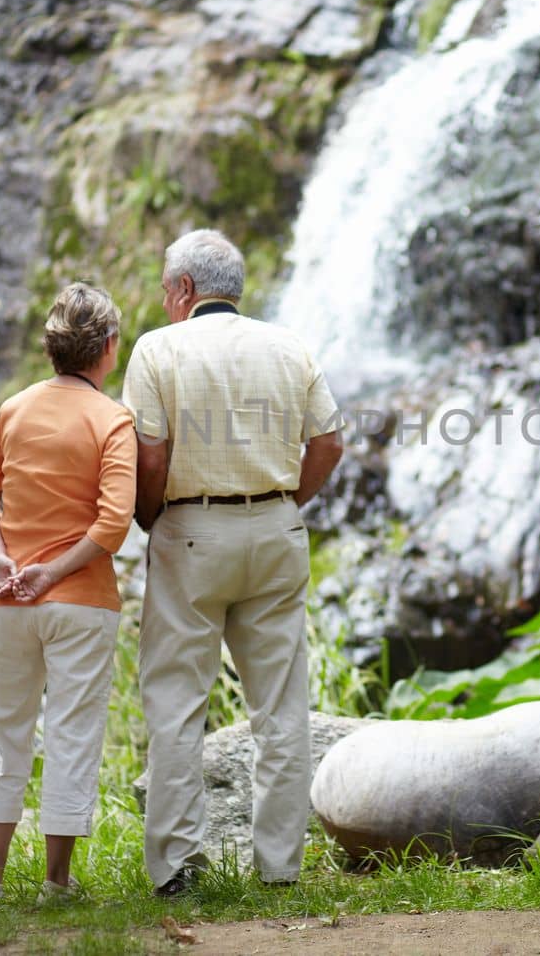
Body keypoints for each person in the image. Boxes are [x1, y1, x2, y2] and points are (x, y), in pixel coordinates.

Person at [123, 228, 345, 897]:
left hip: (191, 529)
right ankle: (279, 868)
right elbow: (330, 442)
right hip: (278, 530)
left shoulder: (157, 349)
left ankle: (177, 868)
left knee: (176, 703)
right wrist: (285, 501)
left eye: (167, 290)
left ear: (185, 289)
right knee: (281, 708)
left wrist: (152, 516)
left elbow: (151, 455)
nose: (166, 302)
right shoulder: (289, 345)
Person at [0, 282, 137, 904]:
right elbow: (112, 526)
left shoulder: (14, 409)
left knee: (5, 735)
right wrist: (57, 572)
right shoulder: (113, 419)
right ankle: (56, 884)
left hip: (5, 598)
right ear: (108, 349)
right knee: (72, 734)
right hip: (81, 600)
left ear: (53, 346)